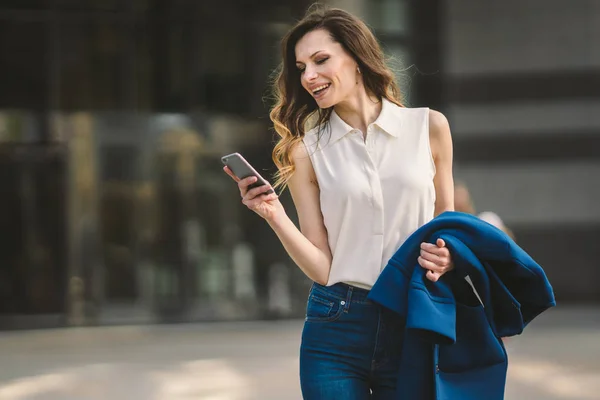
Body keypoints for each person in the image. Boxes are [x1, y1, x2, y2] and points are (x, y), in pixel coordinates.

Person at [224, 5, 455, 399]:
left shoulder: (429, 128)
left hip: (412, 316)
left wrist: (449, 258)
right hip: (336, 322)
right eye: (301, 67)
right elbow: (322, 267)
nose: (309, 76)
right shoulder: (306, 150)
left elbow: (448, 228)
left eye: (320, 60)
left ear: (357, 56)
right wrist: (274, 215)